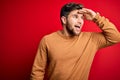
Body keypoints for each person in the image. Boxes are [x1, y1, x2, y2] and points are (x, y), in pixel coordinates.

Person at [30, 2, 120, 80]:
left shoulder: (91, 39)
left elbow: (116, 37)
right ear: (64, 20)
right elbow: (37, 72)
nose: (80, 21)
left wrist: (96, 18)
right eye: (75, 17)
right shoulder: (47, 40)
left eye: (82, 18)